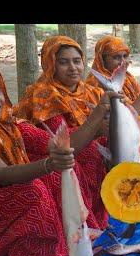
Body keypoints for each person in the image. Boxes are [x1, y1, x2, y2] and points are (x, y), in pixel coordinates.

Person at [0, 62, 112, 256]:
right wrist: (48, 164)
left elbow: (67, 144)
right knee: (32, 190)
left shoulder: (9, 126)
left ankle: (70, 246)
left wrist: (99, 112)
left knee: (53, 178)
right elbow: (2, 174)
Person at [14, 36, 110, 228]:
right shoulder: (44, 93)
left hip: (79, 149)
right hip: (50, 156)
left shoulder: (90, 91)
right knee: (91, 152)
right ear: (51, 65)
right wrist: (99, 120)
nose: (73, 67)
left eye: (77, 61)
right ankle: (82, 225)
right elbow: (65, 143)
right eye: (63, 62)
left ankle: (99, 216)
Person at [86, 35, 140, 113]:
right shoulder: (94, 84)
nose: (123, 62)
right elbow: (127, 116)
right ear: (102, 60)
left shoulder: (128, 77)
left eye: (125, 56)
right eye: (116, 57)